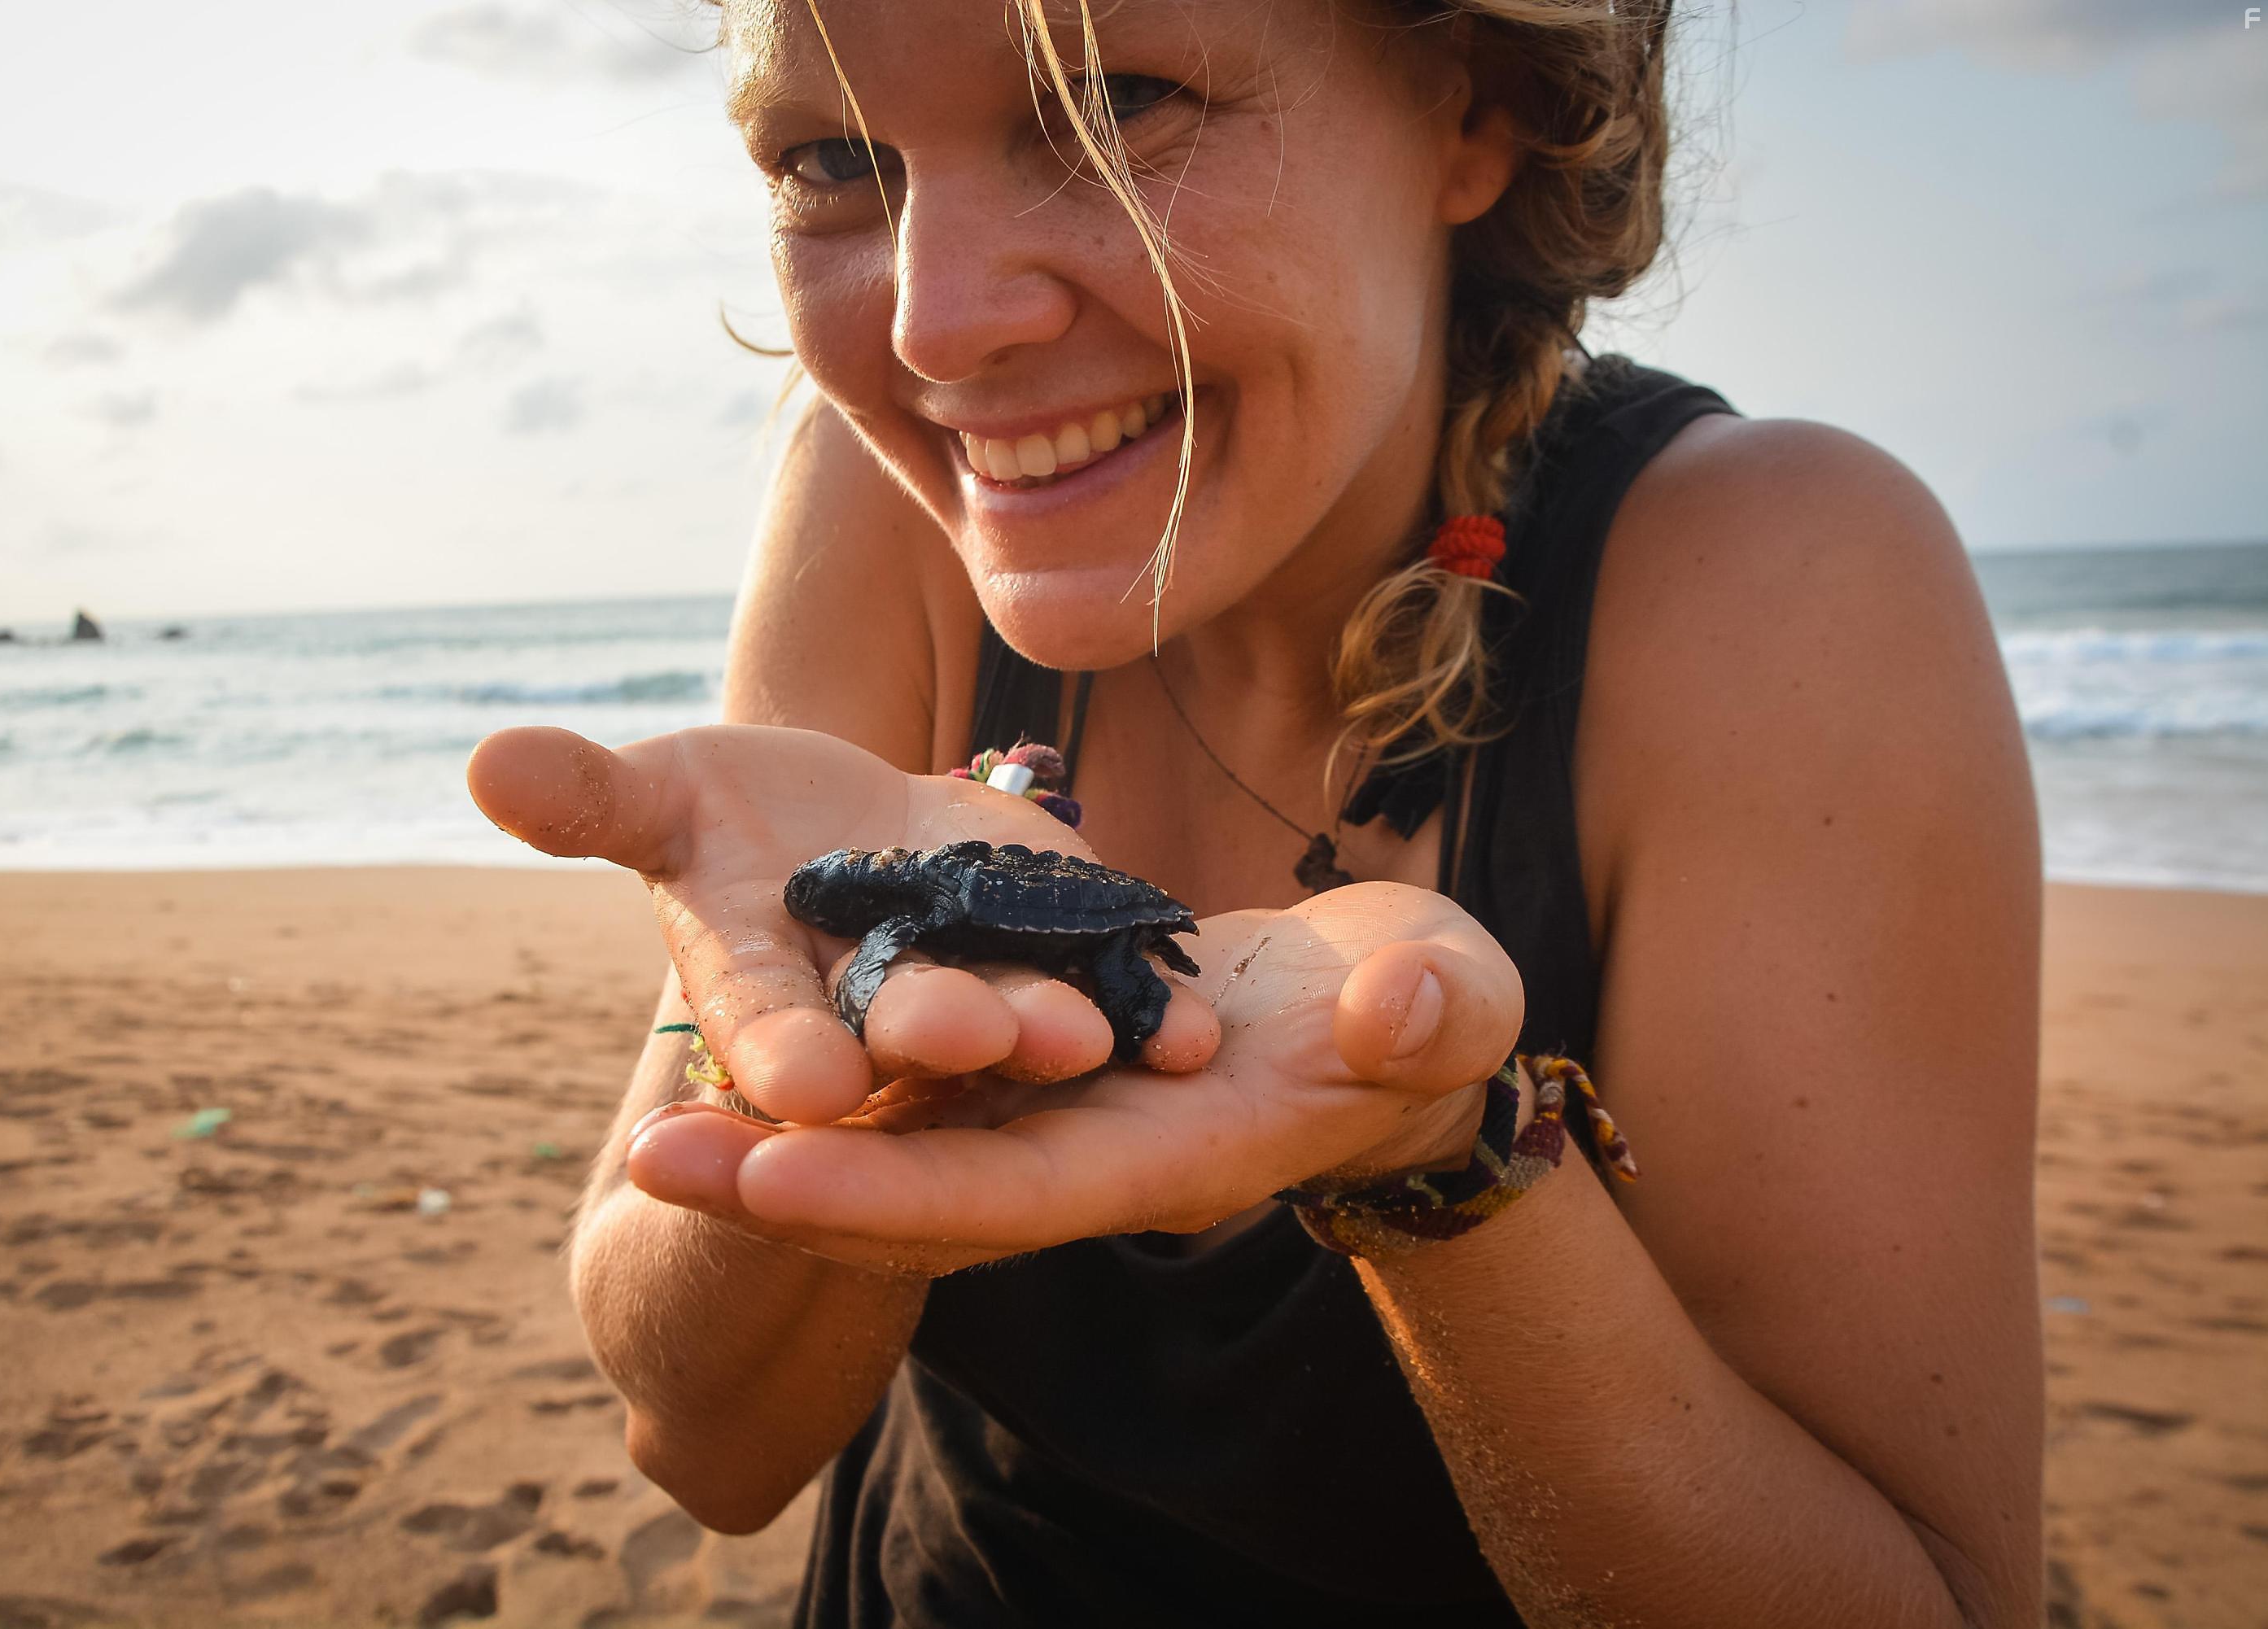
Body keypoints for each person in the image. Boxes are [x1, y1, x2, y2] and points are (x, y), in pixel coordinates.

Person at [465, 1, 2045, 1622]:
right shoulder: (888, 498)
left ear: (1479, 103)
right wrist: (844, 1058)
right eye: (832, 158)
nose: (938, 329)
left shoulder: (1776, 578)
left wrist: (1436, 1148)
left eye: (1120, 107)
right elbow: (705, 1445)